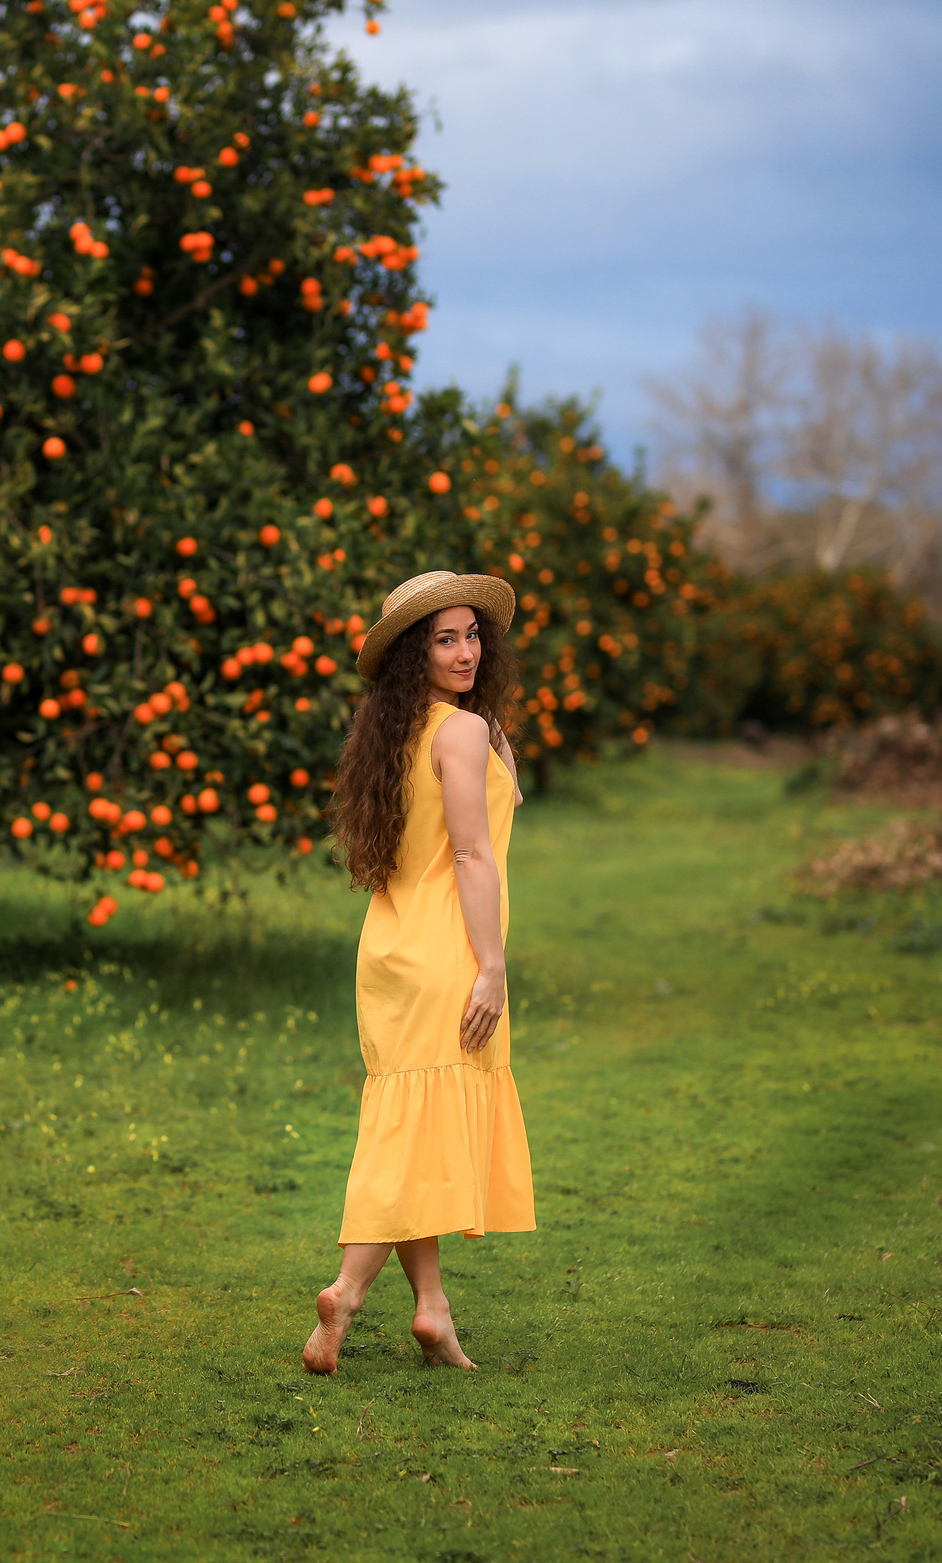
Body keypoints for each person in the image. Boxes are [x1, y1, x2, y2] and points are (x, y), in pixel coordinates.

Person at [303, 570, 536, 1374]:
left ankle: (433, 1311)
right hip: (447, 951)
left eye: (474, 634)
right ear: (416, 652)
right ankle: (347, 1290)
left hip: (390, 950)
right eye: (446, 638)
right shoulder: (462, 735)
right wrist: (494, 965)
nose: (467, 649)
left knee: (415, 1129)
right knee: (414, 1141)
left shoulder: (400, 729)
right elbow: (471, 852)